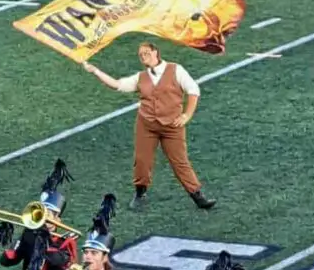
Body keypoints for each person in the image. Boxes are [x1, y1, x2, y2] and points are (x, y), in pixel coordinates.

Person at [82, 43, 216, 210]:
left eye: (146, 53)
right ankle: (140, 193)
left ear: (156, 52)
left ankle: (197, 195)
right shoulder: (141, 77)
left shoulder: (176, 70)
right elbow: (117, 85)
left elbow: (193, 90)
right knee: (142, 160)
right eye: (141, 55)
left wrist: (187, 115)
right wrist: (96, 71)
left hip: (172, 125)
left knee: (180, 161)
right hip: (147, 125)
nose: (143, 56)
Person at [0, 160, 77, 270]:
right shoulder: (30, 235)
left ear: (58, 219)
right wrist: (19, 243)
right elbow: (6, 260)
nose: (45, 217)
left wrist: (41, 240)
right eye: (43, 213)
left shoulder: (66, 240)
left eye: (49, 214)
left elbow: (57, 260)